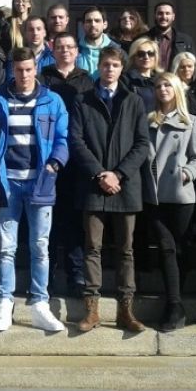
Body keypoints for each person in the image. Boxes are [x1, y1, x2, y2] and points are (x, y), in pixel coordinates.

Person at [0, 47, 69, 332]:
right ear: (12, 71)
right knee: (7, 248)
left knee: (40, 246)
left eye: (29, 69)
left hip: (40, 182)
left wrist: (55, 164)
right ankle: (4, 301)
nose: (24, 75)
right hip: (8, 183)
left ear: (36, 69)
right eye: (19, 70)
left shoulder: (52, 101)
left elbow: (62, 138)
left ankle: (40, 302)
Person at [69, 46, 150, 333]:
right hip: (93, 186)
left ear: (121, 69)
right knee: (92, 247)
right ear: (99, 67)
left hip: (125, 187)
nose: (110, 70)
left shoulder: (133, 101)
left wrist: (118, 174)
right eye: (105, 64)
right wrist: (99, 173)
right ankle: (91, 309)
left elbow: (142, 143)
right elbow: (76, 140)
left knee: (126, 250)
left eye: (115, 65)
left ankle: (125, 310)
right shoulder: (83, 100)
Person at [143, 72, 196, 331]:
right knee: (166, 248)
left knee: (179, 249)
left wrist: (186, 173)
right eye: (158, 86)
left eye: (167, 85)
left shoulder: (191, 121)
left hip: (180, 195)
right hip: (154, 195)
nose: (162, 89)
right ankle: (174, 305)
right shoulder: (147, 120)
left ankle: (175, 301)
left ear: (177, 89)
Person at [41, 32, 93, 294]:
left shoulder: (86, 80)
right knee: (47, 219)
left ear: (76, 51)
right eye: (60, 47)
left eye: (70, 47)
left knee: (74, 219)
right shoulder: (44, 78)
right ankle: (46, 276)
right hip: (49, 157)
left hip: (77, 159)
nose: (65, 51)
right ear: (53, 50)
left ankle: (76, 275)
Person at [146, 2, 194, 71]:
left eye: (167, 13)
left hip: (176, 77)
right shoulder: (143, 39)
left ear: (173, 17)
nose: (164, 17)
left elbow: (192, 65)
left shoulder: (186, 40)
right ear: (155, 16)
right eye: (160, 13)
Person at [76, 6, 119, 79]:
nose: (93, 24)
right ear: (83, 25)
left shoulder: (117, 50)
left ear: (105, 24)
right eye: (89, 21)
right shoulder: (73, 49)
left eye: (97, 21)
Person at [124, 36, 161, 111]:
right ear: (133, 57)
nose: (146, 57)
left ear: (156, 56)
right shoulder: (125, 80)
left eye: (150, 53)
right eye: (141, 54)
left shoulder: (161, 79)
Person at [171, 51, 196, 116]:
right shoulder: (172, 87)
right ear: (176, 69)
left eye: (190, 66)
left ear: (195, 68)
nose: (186, 69)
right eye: (182, 67)